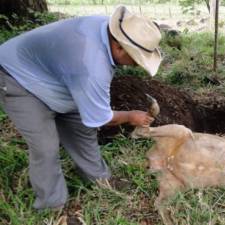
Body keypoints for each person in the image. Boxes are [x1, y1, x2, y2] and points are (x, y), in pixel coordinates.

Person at [0, 6, 162, 210]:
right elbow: (102, 119)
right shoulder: (91, 64)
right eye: (136, 59)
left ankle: (98, 180)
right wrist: (130, 116)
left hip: (57, 75)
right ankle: (52, 205)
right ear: (120, 47)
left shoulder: (110, 31)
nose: (137, 65)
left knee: (82, 130)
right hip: (19, 76)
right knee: (46, 146)